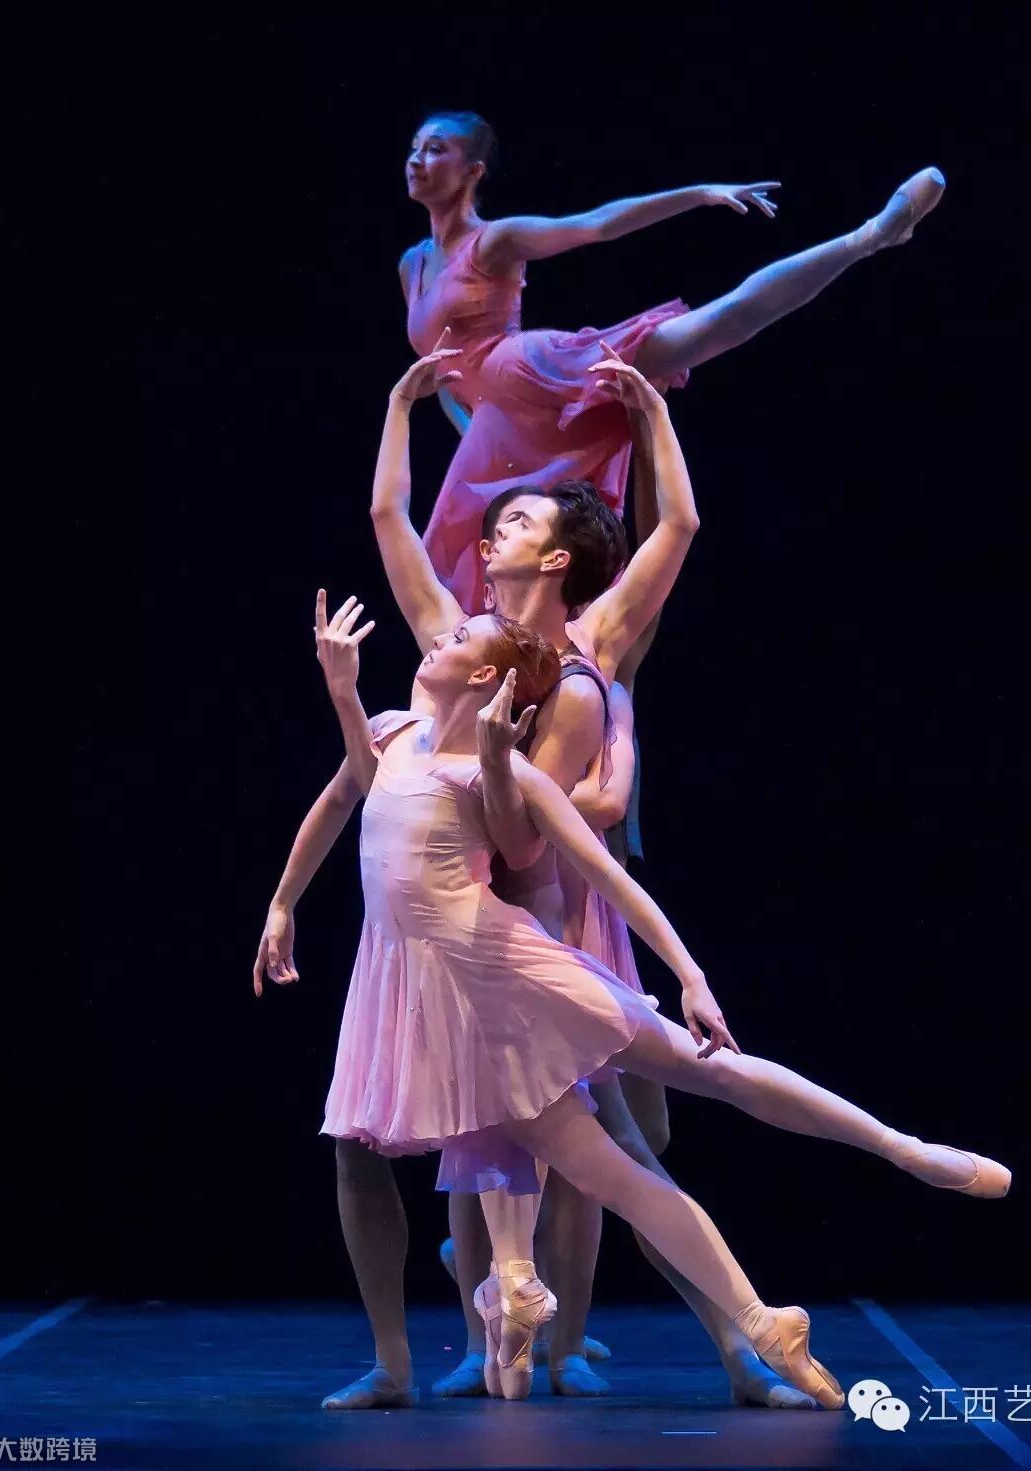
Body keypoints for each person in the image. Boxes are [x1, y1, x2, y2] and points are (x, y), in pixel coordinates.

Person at [279, 588, 1009, 1411]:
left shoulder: (498, 769)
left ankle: (901, 1147)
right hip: (448, 1011)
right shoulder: (391, 734)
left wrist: (690, 972)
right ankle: (751, 1319)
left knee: (704, 1072)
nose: (437, 638)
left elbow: (595, 870)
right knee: (617, 1175)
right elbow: (353, 787)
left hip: (513, 983)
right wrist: (283, 898)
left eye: (457, 637)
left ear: (482, 675)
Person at [369, 343, 805, 1405]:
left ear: (559, 556)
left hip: (575, 916)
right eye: (498, 522)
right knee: (489, 1136)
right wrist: (398, 407)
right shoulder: (457, 639)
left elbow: (678, 528)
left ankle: (637, 1345)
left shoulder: (593, 639)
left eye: (517, 520)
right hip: (482, 915)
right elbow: (390, 525)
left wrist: (653, 414)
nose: (493, 533)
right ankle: (500, 1340)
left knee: (622, 1142)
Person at [400, 109, 946, 611]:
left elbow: (597, 224)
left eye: (436, 148)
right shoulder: (413, 266)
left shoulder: (494, 241)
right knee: (474, 576)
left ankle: (869, 236)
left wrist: (698, 194)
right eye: (415, 148)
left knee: (709, 327)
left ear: (472, 171)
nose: (418, 158)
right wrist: (476, 434)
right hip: (496, 425)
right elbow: (444, 372)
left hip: (530, 371)